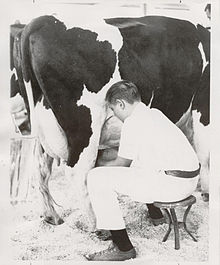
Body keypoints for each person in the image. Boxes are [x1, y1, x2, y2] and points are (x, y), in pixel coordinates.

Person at [85, 80, 200, 261]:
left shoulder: (132, 122)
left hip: (171, 186)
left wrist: (95, 168)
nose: (114, 115)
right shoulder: (154, 113)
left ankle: (123, 247)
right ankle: (156, 216)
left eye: (113, 110)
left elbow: (121, 164)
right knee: (142, 163)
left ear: (121, 104)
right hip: (189, 181)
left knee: (96, 178)